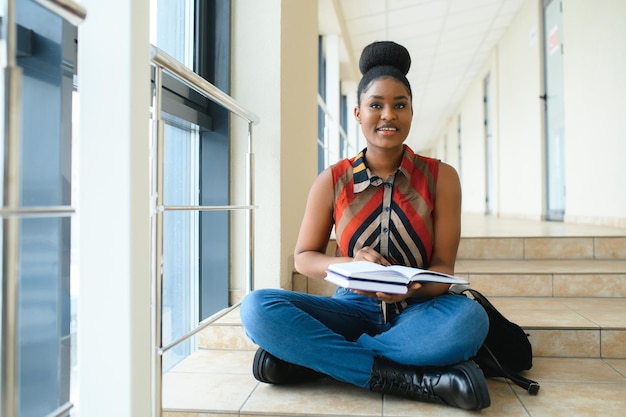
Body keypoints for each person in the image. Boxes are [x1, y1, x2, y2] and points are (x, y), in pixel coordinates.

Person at [240, 41, 491, 410]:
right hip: (351, 309)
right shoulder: (333, 180)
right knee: (257, 308)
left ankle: (321, 359)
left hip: (417, 311)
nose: (388, 115)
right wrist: (351, 265)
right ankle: (404, 376)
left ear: (411, 111)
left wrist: (414, 288)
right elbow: (303, 258)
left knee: (469, 320)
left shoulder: (441, 178)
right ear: (358, 113)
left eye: (399, 105)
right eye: (376, 105)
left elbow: (443, 268)